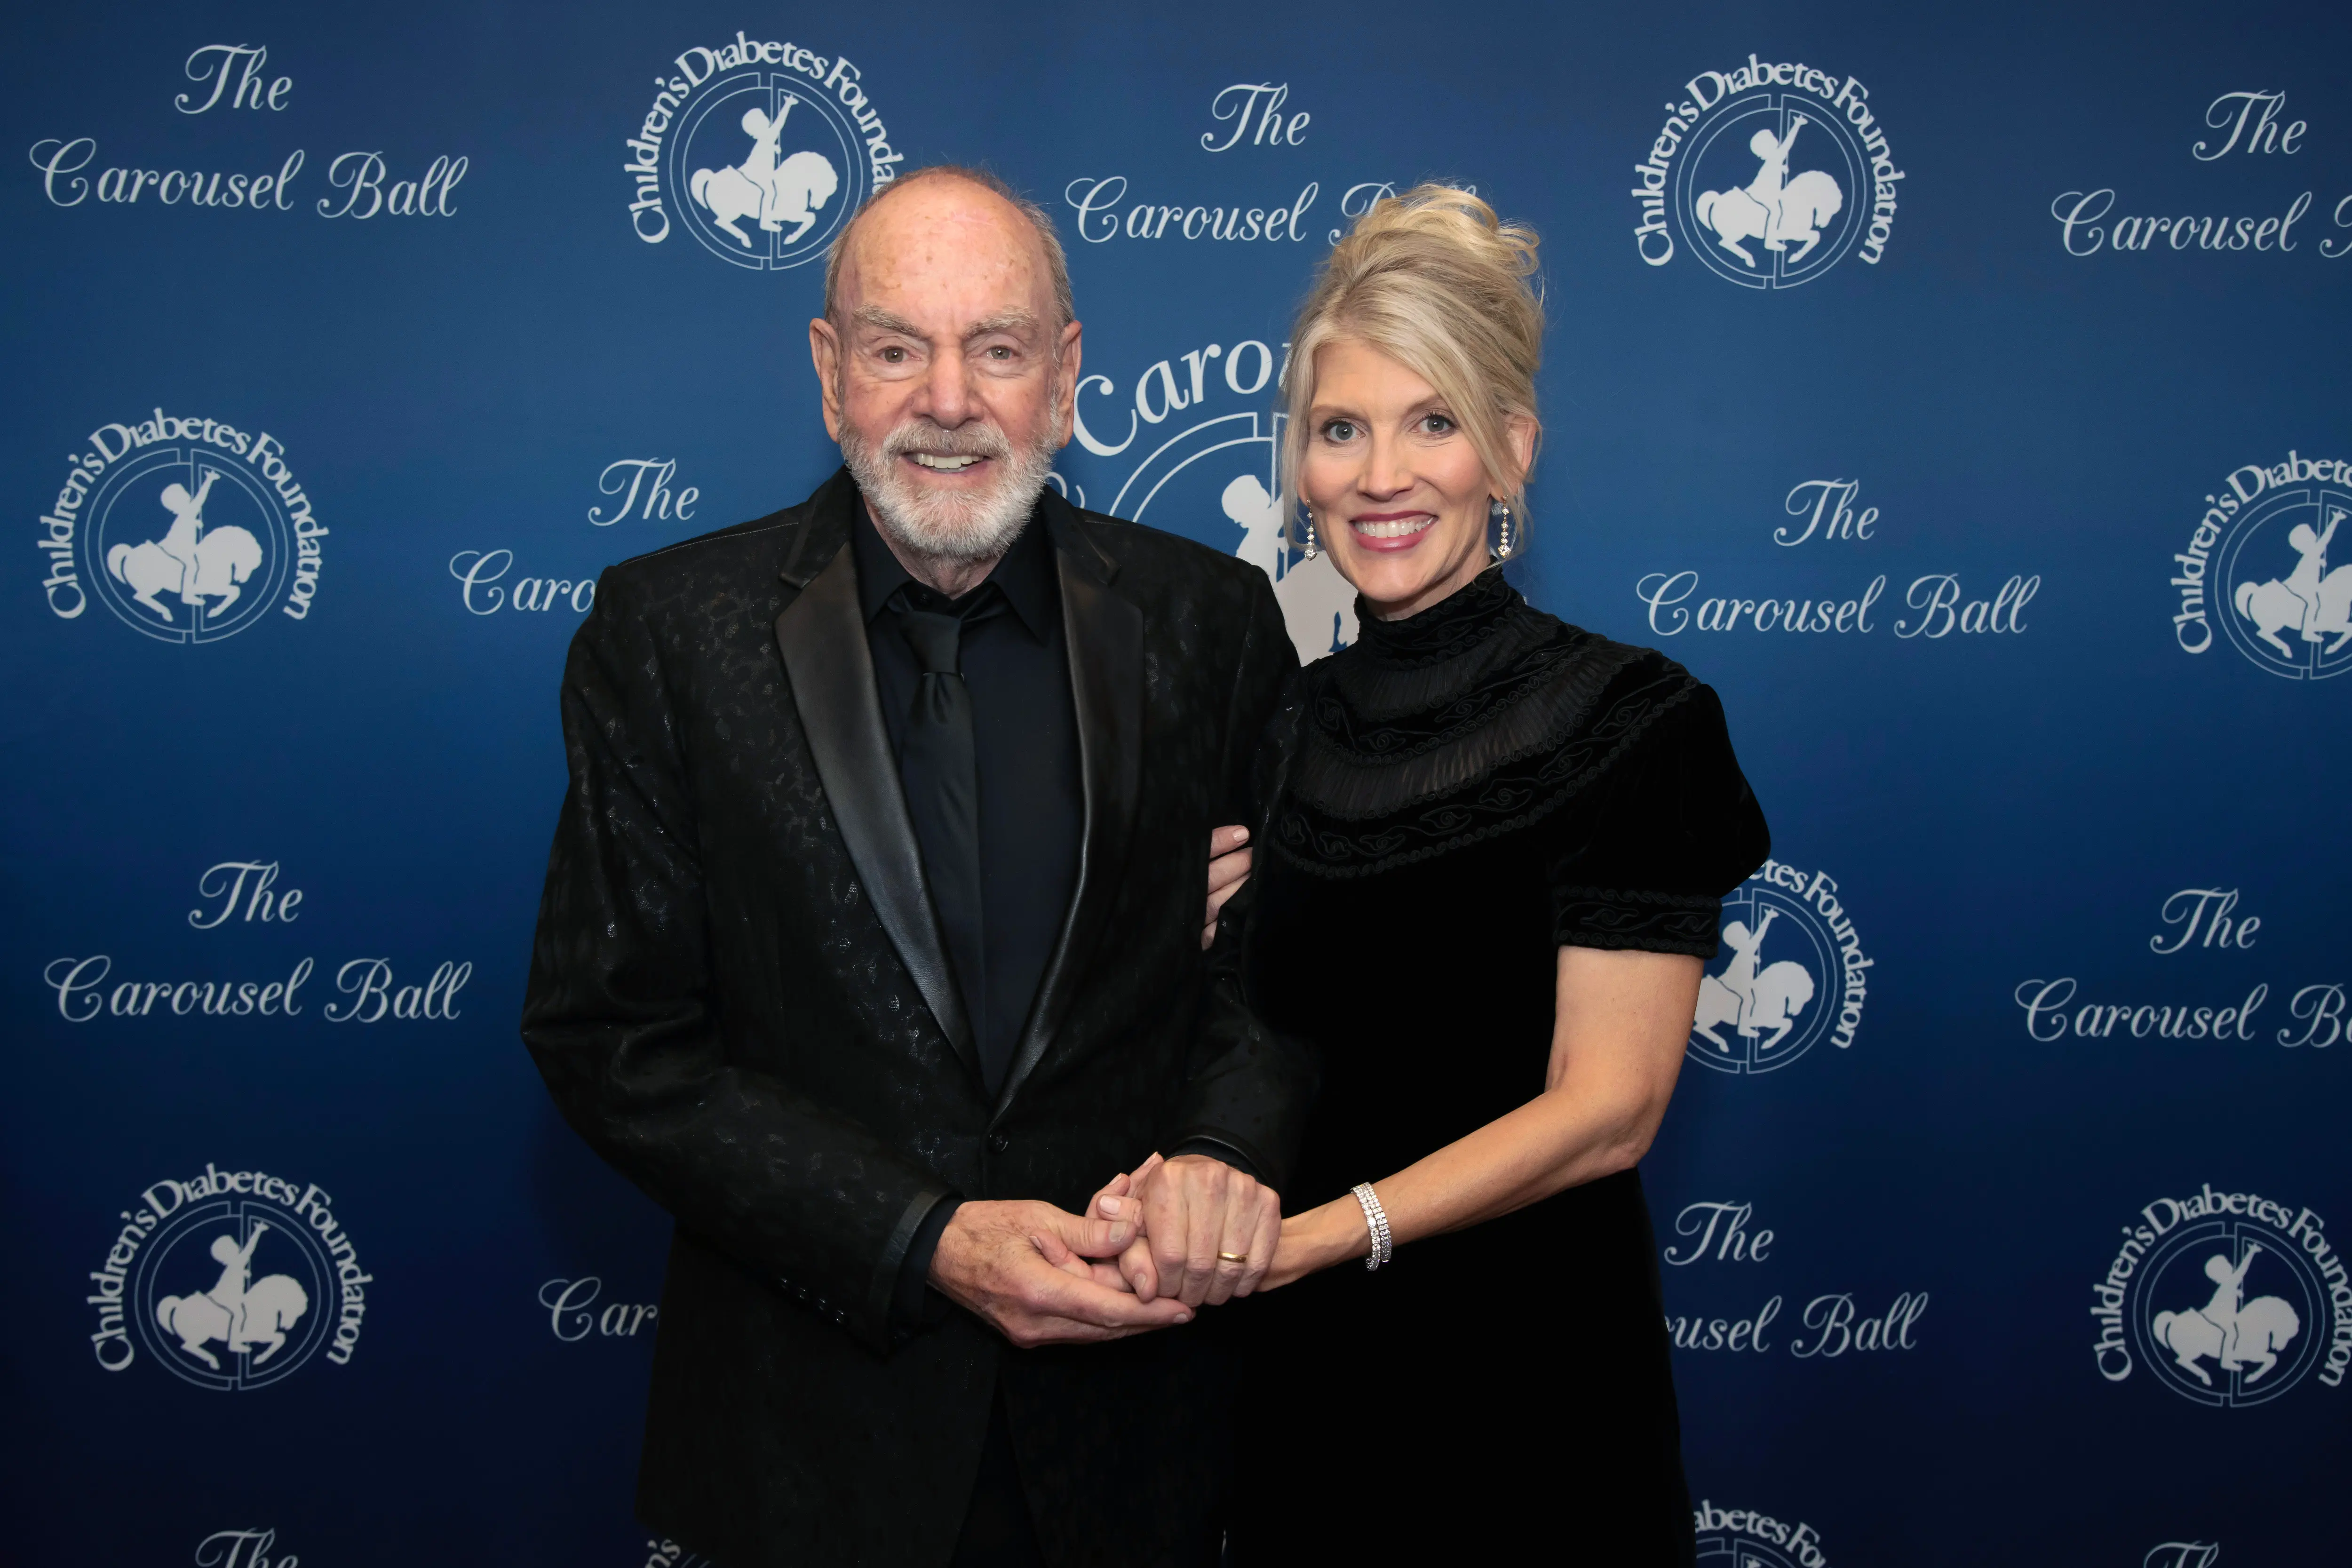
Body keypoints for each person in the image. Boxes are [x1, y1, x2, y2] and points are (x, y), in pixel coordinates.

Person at [522, 165, 1312, 1568]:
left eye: (997, 348)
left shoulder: (1214, 620)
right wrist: (924, 1237)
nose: (948, 398)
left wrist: (1221, 1149)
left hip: (1142, 1437)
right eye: (897, 347)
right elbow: (615, 1038)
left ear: (1064, 377)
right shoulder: (666, 634)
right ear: (831, 373)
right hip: (810, 1448)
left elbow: (1269, 969)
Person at [1215, 187, 1772, 1563]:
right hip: (1297, 1410)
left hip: (1534, 1413)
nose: (1382, 474)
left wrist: (1316, 1239)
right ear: (1299, 463)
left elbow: (1608, 1110)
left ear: (1510, 452)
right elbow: (1261, 1044)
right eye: (1341, 429)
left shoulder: (1634, 720)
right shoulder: (1275, 729)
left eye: (1434, 421)